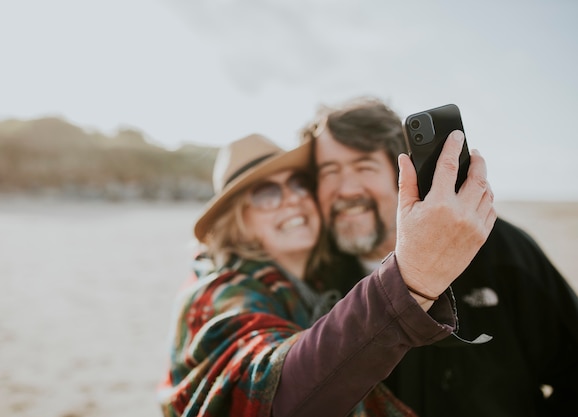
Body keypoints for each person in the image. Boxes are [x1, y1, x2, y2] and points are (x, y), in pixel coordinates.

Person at [158, 132, 496, 417]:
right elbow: (270, 393)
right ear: (239, 223)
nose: (291, 200)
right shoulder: (220, 293)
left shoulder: (324, 279)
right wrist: (412, 277)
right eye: (266, 193)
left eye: (299, 184)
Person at [301, 97, 578, 417]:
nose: (346, 189)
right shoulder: (316, 280)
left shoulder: (495, 248)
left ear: (400, 175)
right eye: (328, 171)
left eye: (364, 167)